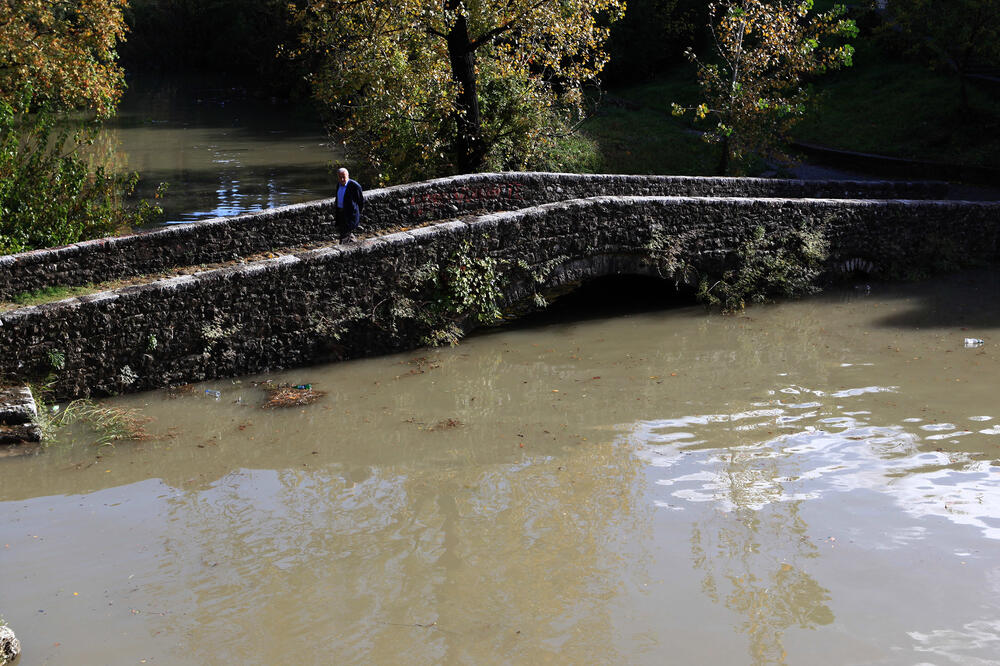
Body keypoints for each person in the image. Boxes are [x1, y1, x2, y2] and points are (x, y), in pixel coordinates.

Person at [335, 167, 365, 243]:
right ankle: (356, 246)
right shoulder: (338, 185)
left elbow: (360, 201)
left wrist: (356, 213)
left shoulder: (354, 186)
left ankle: (342, 251)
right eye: (340, 177)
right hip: (340, 213)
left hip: (350, 214)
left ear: (348, 176)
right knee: (346, 234)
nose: (342, 179)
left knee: (344, 235)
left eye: (343, 177)